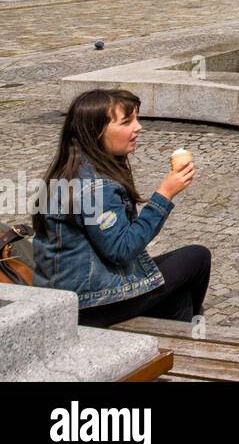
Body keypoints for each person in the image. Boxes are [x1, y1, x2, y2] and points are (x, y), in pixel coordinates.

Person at [32, 88, 211, 328]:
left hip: (69, 296)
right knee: (196, 257)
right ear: (97, 132)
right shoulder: (95, 187)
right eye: (127, 121)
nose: (138, 127)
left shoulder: (71, 169)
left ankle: (181, 344)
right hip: (88, 306)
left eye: (137, 118)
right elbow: (121, 249)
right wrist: (165, 194)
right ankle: (189, 338)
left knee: (178, 293)